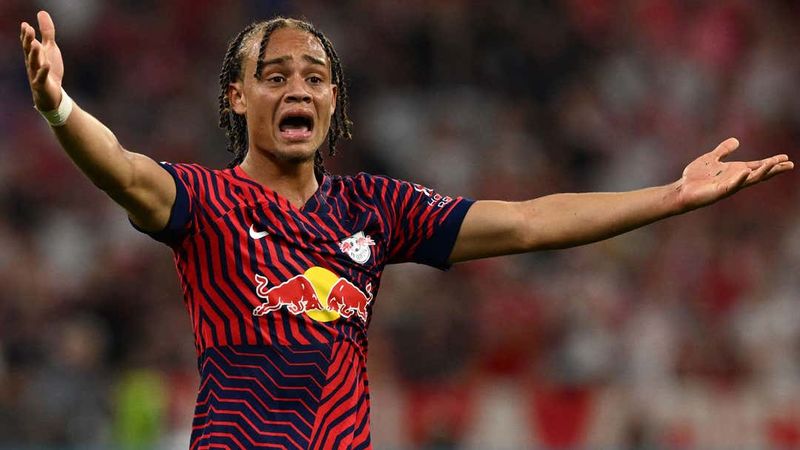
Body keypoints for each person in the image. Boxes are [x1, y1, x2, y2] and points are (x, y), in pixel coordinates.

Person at [19, 9, 793, 450]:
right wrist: (58, 106)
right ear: (238, 99)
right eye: (276, 75)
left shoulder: (375, 209)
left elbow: (527, 223)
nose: (299, 88)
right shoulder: (207, 203)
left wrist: (672, 196)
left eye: (315, 77)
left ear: (331, 105)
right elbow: (121, 169)